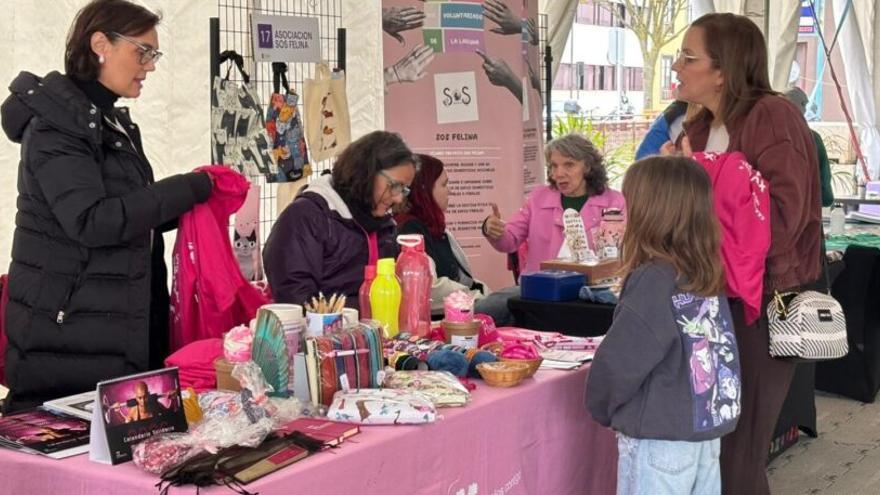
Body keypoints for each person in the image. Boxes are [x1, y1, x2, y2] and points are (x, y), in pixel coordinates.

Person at [0, 0, 214, 412]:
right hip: (68, 341)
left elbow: (130, 213)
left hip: (115, 328)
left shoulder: (109, 121)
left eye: (154, 54)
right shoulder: (55, 128)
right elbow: (92, 221)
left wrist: (198, 200)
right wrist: (186, 188)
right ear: (101, 44)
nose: (150, 66)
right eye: (143, 52)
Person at [670, 13, 821, 494]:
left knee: (740, 448)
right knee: (715, 442)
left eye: (689, 57)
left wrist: (706, 188)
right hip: (717, 300)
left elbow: (783, 217)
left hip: (771, 302)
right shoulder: (697, 128)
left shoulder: (772, 117)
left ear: (724, 69)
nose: (677, 66)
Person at [586, 156, 741, 495]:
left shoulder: (653, 279)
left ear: (650, 213)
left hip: (660, 442)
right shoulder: (704, 274)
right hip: (705, 433)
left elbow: (621, 362)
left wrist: (601, 406)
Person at [264, 131, 417, 309]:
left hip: (372, 333)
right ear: (366, 172)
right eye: (395, 186)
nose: (398, 199)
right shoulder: (307, 217)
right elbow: (296, 300)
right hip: (322, 334)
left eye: (404, 190)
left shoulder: (383, 225)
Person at [482, 133, 626, 274]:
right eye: (554, 166)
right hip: (542, 289)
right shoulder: (538, 198)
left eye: (569, 165)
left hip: (593, 291)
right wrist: (494, 231)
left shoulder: (615, 202)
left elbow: (627, 252)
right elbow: (510, 240)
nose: (559, 173)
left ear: (587, 167)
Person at [395, 154, 512, 324]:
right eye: (444, 184)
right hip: (443, 320)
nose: (449, 190)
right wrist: (475, 297)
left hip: (460, 310)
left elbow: (463, 278)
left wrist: (483, 293)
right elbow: (428, 289)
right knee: (513, 302)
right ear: (425, 190)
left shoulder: (436, 228)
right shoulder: (409, 230)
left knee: (514, 298)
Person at [785, 87, 834, 207]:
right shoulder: (812, 139)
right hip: (808, 215)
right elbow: (825, 194)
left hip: (776, 218)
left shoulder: (767, 137)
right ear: (802, 107)